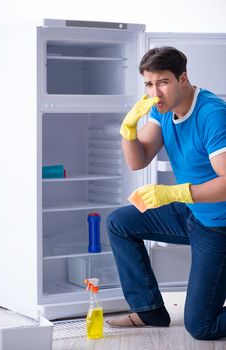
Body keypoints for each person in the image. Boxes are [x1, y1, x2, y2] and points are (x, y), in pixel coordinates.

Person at [106, 46, 226, 340]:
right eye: (149, 84)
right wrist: (128, 130)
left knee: (201, 326)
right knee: (119, 223)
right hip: (193, 212)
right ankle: (149, 311)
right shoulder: (162, 111)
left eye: (163, 82)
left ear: (182, 79)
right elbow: (138, 160)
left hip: (219, 225)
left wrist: (175, 193)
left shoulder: (212, 114)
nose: (154, 92)